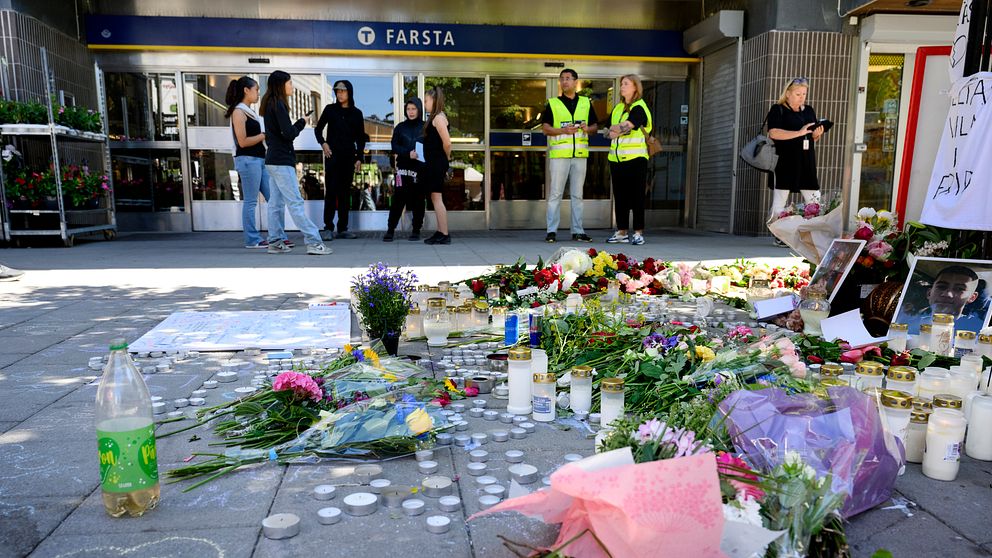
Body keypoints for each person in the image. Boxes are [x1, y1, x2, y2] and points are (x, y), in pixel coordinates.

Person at [260, 70, 330, 256]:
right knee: (295, 202)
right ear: (281, 85)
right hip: (282, 162)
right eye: (290, 83)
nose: (292, 86)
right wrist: (302, 121)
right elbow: (288, 133)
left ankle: (275, 242)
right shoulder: (279, 105)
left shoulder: (269, 104)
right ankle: (314, 242)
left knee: (275, 204)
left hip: (273, 160)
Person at [541, 68, 597, 243]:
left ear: (575, 82)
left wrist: (588, 129)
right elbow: (545, 129)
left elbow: (595, 127)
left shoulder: (586, 103)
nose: (564, 81)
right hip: (559, 157)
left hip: (579, 156)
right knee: (555, 194)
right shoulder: (553, 103)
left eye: (567, 78)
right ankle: (551, 231)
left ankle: (578, 231)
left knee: (577, 195)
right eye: (562, 79)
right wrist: (563, 130)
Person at [225, 76, 280, 250]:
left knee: (273, 198)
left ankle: (278, 236)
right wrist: (264, 135)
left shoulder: (249, 111)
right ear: (246, 90)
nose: (258, 93)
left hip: (259, 160)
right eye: (256, 89)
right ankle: (252, 239)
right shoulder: (238, 112)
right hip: (248, 160)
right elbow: (242, 142)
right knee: (250, 202)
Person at [766, 78, 826, 224]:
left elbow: (812, 138)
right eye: (798, 94)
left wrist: (817, 134)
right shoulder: (777, 109)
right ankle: (777, 233)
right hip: (784, 161)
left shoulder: (809, 110)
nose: (802, 97)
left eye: (804, 94)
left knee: (814, 198)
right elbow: (773, 133)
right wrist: (799, 132)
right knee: (780, 199)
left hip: (806, 160)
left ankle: (814, 231)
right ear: (788, 93)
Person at [315, 80, 366, 240]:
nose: (340, 94)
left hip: (349, 157)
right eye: (337, 91)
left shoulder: (357, 113)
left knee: (344, 193)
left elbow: (361, 138)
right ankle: (328, 228)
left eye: (343, 91)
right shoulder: (330, 110)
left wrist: (359, 158)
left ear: (349, 92)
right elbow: (318, 129)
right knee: (331, 192)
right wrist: (323, 143)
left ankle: (342, 228)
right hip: (332, 156)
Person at [606, 74, 652, 245]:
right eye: (621, 84)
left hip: (636, 159)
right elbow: (612, 133)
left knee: (637, 196)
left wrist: (618, 128)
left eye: (626, 84)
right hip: (616, 160)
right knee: (620, 197)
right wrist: (617, 129)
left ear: (635, 87)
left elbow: (626, 126)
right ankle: (622, 231)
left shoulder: (639, 107)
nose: (622, 87)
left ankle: (639, 232)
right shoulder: (618, 108)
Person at [901, 265, 990, 334]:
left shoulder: (979, 330)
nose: (947, 294)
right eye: (941, 287)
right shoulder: (906, 322)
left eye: (959, 289)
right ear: (929, 293)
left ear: (972, 297)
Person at [385, 98, 425, 242]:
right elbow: (394, 146)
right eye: (408, 109)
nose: (411, 112)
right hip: (402, 169)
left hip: (420, 169)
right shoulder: (400, 127)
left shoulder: (426, 127)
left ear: (419, 109)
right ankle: (390, 230)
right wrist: (408, 154)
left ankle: (416, 230)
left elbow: (431, 147)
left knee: (418, 200)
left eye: (414, 109)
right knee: (398, 200)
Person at [422, 86, 452, 245]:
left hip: (437, 163)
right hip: (434, 163)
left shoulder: (438, 118)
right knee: (435, 197)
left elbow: (447, 143)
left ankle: (444, 234)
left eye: (426, 100)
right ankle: (441, 231)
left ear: (434, 100)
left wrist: (446, 161)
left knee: (437, 197)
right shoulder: (435, 117)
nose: (425, 103)